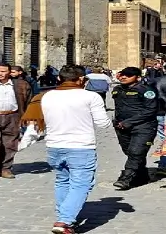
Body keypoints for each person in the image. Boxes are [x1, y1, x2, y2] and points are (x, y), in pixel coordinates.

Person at [39, 65, 111, 234]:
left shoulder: (47, 96)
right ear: (80, 79)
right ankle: (64, 221)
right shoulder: (90, 96)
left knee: (62, 180)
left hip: (54, 145)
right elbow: (102, 123)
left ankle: (63, 215)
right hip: (81, 147)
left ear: (59, 79)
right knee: (81, 184)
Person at [110, 66, 159, 190]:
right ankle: (141, 176)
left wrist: (129, 122)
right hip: (122, 127)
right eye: (122, 75)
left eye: (128, 75)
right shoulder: (117, 89)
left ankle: (125, 179)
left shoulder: (146, 91)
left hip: (144, 126)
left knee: (136, 152)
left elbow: (150, 110)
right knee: (130, 153)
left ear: (138, 77)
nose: (124, 77)